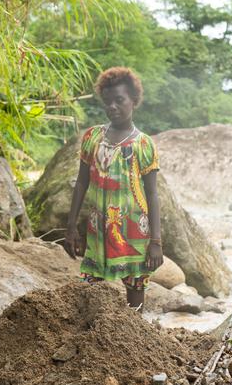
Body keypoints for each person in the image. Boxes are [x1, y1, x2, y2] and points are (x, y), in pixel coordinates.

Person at [63, 67, 163, 309]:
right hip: (97, 233)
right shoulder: (93, 138)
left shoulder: (144, 144)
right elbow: (81, 184)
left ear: (134, 101)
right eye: (107, 102)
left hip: (135, 234)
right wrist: (71, 227)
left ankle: (133, 340)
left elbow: (152, 194)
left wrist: (156, 241)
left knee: (135, 297)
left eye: (120, 100)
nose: (113, 107)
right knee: (89, 297)